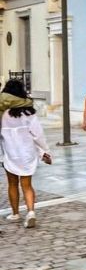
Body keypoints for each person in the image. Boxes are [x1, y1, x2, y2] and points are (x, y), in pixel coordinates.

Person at [1, 79, 51, 229]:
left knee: (12, 184)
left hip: (10, 153)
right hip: (27, 153)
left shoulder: (3, 113)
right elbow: (38, 135)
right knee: (27, 185)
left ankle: (15, 213)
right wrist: (45, 151)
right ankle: (31, 212)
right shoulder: (29, 113)